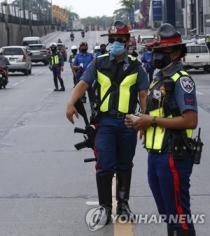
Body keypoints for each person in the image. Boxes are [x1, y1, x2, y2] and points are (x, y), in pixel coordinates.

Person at [66, 20, 149, 224]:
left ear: (128, 41)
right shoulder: (99, 62)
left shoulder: (137, 67)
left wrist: (144, 121)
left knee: (124, 165)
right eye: (112, 40)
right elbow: (83, 83)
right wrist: (71, 103)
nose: (115, 43)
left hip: (129, 122)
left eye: (119, 40)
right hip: (105, 123)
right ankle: (105, 207)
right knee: (104, 164)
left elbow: (143, 96)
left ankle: (123, 204)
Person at [125, 23, 198, 236]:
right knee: (168, 213)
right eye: (154, 51)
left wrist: (152, 122)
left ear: (176, 53)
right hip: (155, 155)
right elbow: (158, 113)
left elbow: (190, 120)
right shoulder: (158, 78)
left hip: (173, 155)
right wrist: (139, 121)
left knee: (179, 216)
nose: (156, 56)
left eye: (161, 52)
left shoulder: (181, 80)